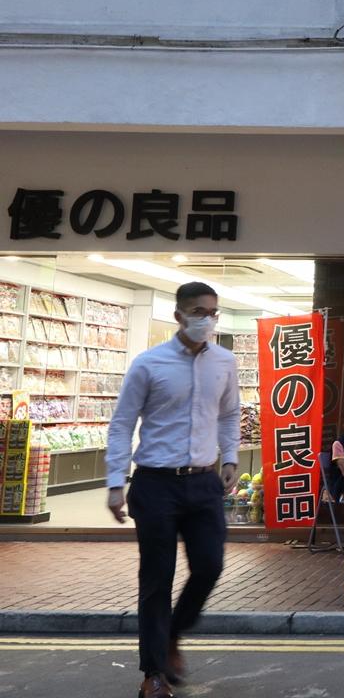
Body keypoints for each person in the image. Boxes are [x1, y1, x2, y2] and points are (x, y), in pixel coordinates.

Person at [105, 282, 240, 698]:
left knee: (210, 566)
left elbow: (230, 413)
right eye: (199, 312)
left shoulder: (224, 362)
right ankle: (153, 673)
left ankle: (171, 636)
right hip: (156, 483)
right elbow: (122, 423)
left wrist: (231, 458)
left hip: (203, 481)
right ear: (179, 315)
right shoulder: (149, 364)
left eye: (213, 313)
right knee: (156, 578)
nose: (207, 320)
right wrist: (115, 482)